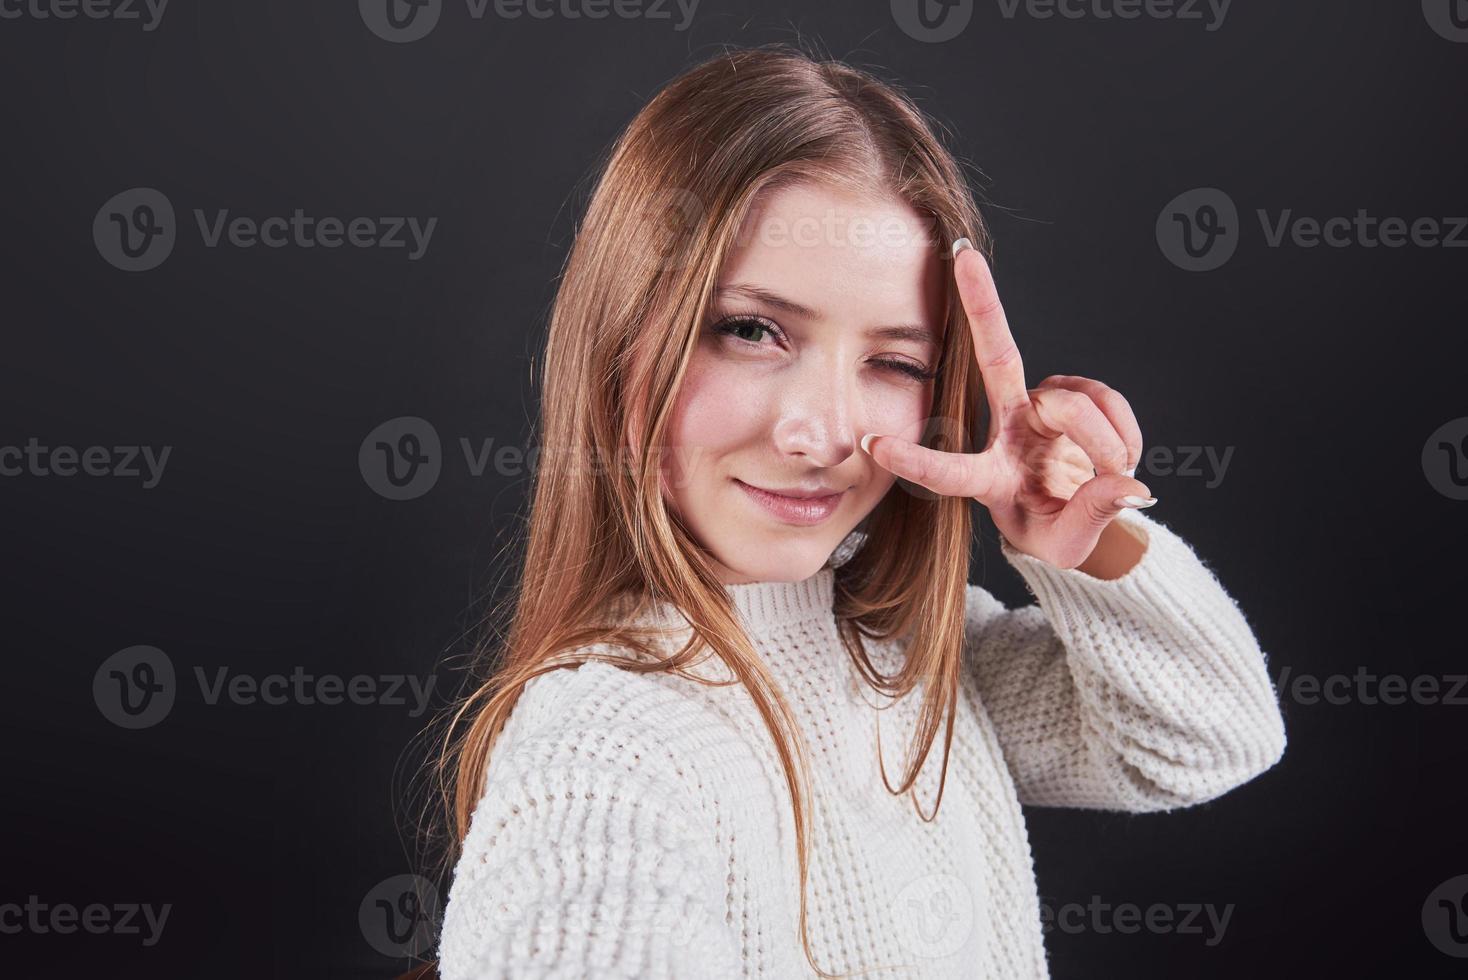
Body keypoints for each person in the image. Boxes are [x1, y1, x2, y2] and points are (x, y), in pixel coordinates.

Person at [431, 43, 1287, 979]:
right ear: (623, 336)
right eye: (752, 330)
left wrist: (1079, 540)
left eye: (894, 361)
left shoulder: (920, 651)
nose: (822, 434)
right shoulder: (604, 742)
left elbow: (1209, 738)